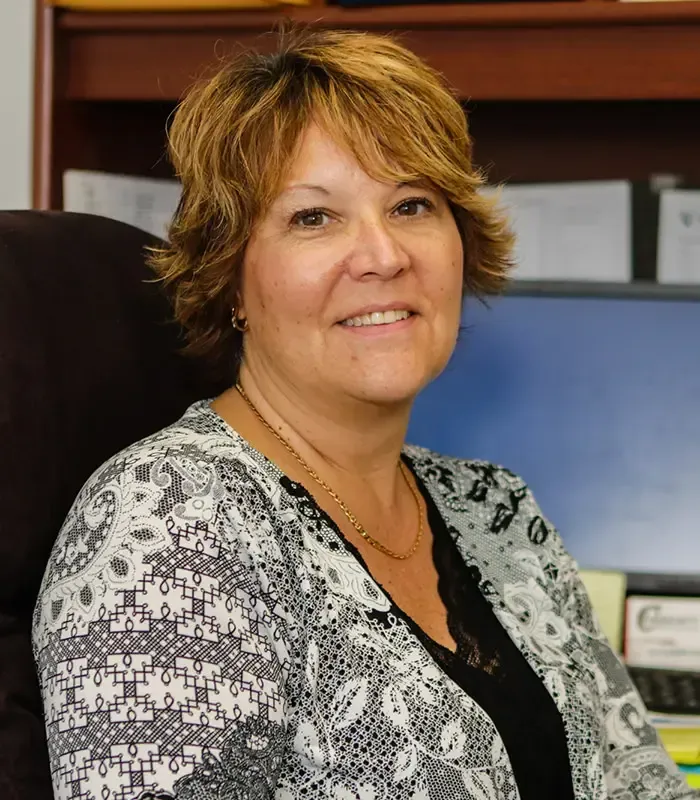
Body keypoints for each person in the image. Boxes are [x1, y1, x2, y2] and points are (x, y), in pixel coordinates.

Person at [32, 27, 696, 800]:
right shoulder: (171, 519)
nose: (384, 255)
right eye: (313, 217)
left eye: (412, 204)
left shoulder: (497, 512)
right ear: (230, 278)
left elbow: (642, 784)